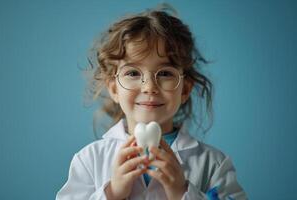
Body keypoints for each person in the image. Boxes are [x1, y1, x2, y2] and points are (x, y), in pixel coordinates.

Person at [56, 4, 248, 200]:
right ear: (114, 88)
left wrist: (182, 192)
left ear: (185, 89)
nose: (149, 87)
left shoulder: (214, 164)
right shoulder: (89, 160)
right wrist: (112, 193)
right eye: (133, 73)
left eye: (165, 73)